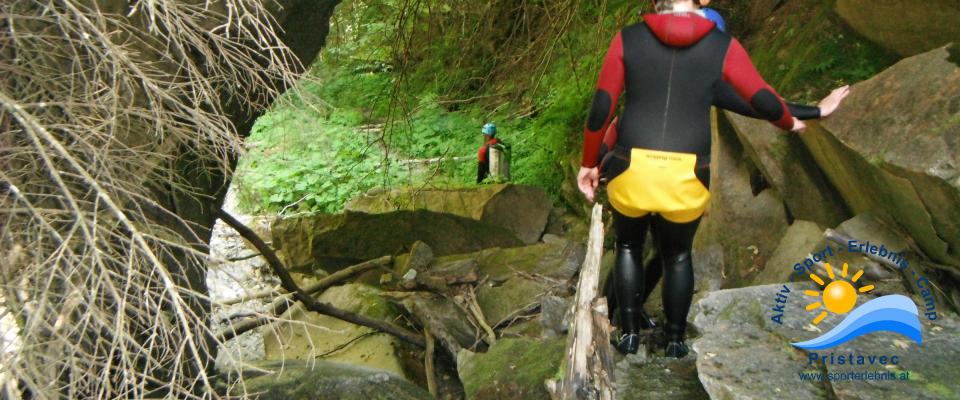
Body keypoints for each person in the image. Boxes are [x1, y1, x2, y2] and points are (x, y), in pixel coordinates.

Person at [577, 0, 846, 358]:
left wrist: (589, 163)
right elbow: (760, 98)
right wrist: (803, 117)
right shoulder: (721, 46)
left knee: (628, 247)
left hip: (632, 167)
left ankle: (628, 336)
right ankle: (675, 341)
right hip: (687, 173)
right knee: (677, 256)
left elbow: (602, 106)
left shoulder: (628, 39)